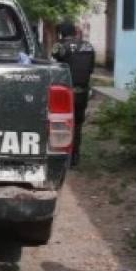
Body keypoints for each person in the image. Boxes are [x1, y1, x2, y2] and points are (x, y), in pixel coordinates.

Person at [51, 21, 95, 166]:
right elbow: (90, 70)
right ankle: (75, 158)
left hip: (65, 92)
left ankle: (62, 157)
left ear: (61, 33)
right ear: (74, 32)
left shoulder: (59, 47)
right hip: (82, 93)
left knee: (60, 124)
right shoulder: (88, 46)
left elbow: (54, 68)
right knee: (77, 125)